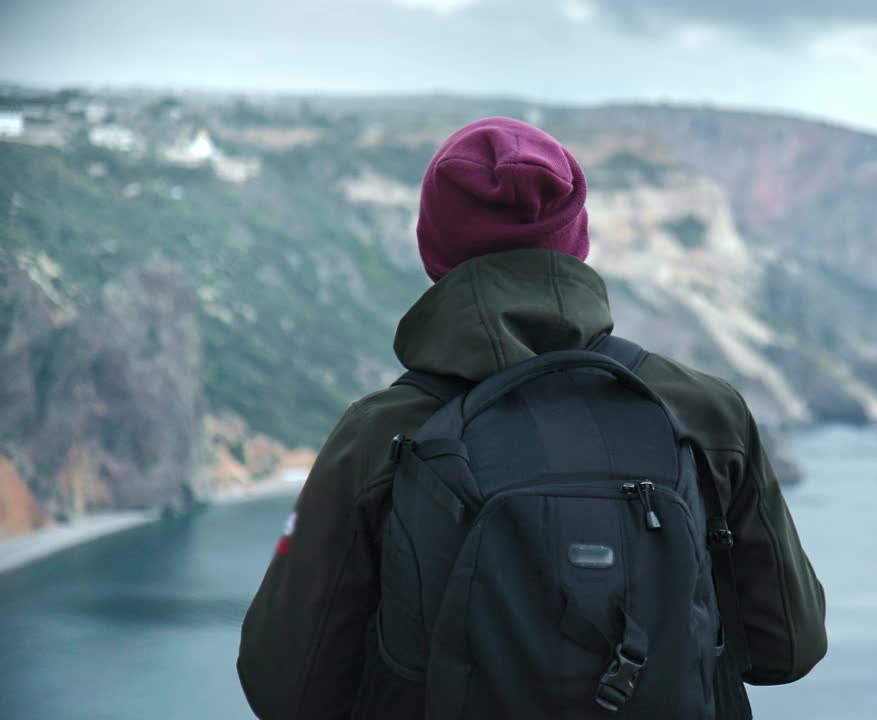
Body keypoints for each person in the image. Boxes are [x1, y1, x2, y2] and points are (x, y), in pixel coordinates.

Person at [238, 117, 826, 719]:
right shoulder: (705, 411)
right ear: (576, 242)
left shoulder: (377, 435)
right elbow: (789, 648)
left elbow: (286, 689)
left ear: (433, 248)